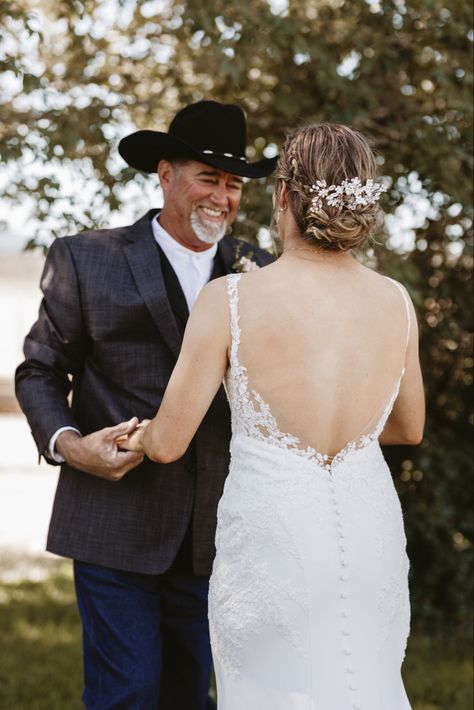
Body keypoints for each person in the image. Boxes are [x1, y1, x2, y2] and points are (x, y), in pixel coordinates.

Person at [121, 123, 425, 709]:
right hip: (369, 532)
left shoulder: (230, 299)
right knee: (366, 683)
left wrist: (134, 437)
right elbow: (408, 428)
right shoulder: (395, 301)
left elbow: (167, 443)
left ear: (283, 195)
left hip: (271, 540)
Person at [15, 100, 275, 710]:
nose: (222, 197)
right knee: (126, 694)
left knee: (194, 696)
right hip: (113, 519)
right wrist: (71, 446)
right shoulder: (84, 257)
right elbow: (40, 370)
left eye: (234, 184)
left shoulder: (259, 271)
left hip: (217, 530)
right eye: (208, 178)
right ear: (165, 174)